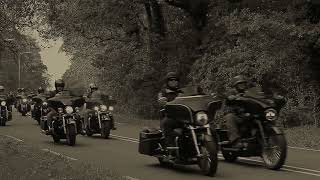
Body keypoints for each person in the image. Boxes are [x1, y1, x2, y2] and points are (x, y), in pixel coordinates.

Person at [223, 75, 251, 148]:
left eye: (243, 84)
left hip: (245, 115)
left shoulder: (248, 92)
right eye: (240, 84)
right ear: (236, 85)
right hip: (236, 116)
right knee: (229, 117)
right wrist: (234, 97)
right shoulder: (231, 92)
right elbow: (228, 97)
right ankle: (235, 141)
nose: (242, 85)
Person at [158, 72, 183, 147]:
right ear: (167, 82)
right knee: (167, 123)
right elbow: (160, 100)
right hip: (170, 116)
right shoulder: (163, 92)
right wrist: (162, 101)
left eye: (175, 80)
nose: (173, 82)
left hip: (184, 117)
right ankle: (170, 147)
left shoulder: (182, 91)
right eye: (171, 80)